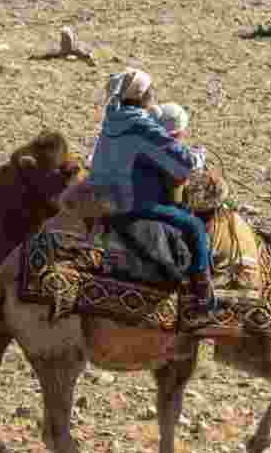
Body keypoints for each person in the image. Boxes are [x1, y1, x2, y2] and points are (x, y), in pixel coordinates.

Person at [87, 69, 216, 321]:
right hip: (129, 203)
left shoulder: (113, 119)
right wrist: (199, 157)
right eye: (151, 91)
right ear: (144, 96)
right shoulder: (140, 126)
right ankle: (202, 296)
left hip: (102, 199)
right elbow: (182, 163)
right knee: (195, 227)